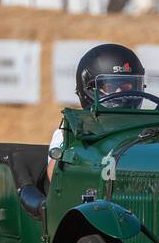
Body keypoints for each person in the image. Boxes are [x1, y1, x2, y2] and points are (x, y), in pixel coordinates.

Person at [49, 43, 145, 176]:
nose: (120, 94)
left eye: (127, 88)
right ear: (88, 90)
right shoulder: (71, 130)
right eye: (110, 88)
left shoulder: (149, 126)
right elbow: (55, 174)